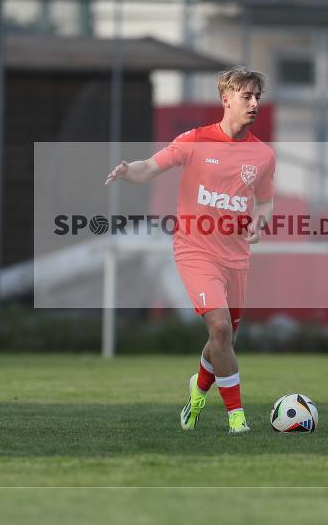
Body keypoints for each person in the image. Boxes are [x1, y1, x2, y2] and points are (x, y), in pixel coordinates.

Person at [105, 66, 275, 434]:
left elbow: (264, 202)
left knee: (223, 338)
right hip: (195, 251)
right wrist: (128, 171)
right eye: (246, 96)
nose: (254, 103)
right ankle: (237, 420)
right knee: (219, 327)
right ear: (226, 99)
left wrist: (259, 222)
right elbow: (151, 166)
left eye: (257, 97)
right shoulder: (196, 140)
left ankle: (197, 395)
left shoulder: (262, 156)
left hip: (237, 258)